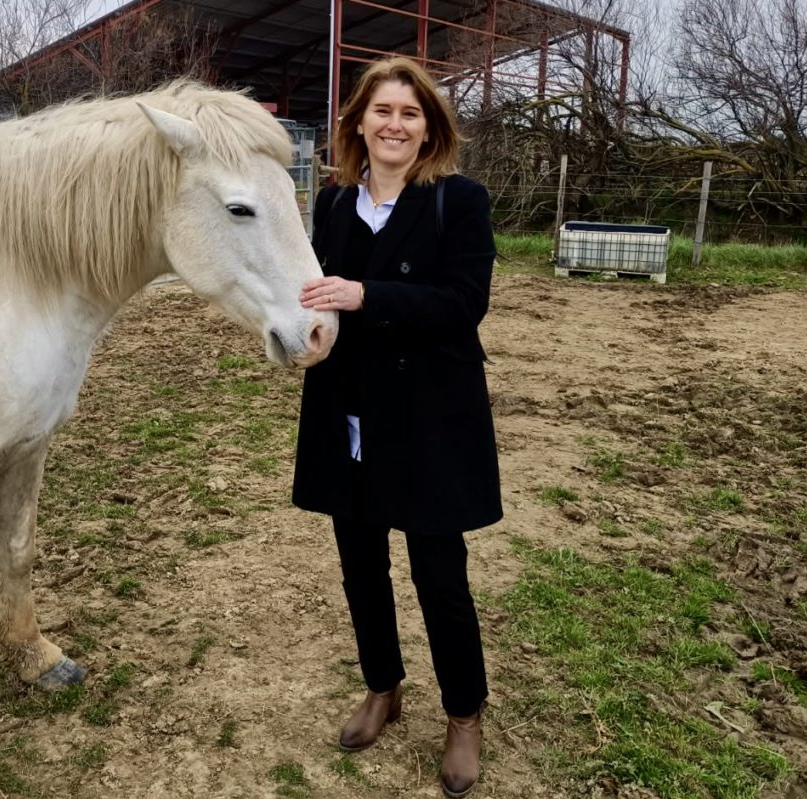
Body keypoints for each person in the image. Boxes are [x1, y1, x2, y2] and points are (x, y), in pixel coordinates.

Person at [293, 56, 502, 799]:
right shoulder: (330, 204)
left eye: (410, 114)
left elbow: (462, 303)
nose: (395, 124)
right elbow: (309, 292)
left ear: (429, 129)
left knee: (439, 575)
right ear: (357, 122)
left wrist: (365, 293)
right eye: (382, 110)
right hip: (346, 412)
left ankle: (463, 713)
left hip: (430, 419)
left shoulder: (459, 201)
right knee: (360, 565)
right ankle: (383, 685)